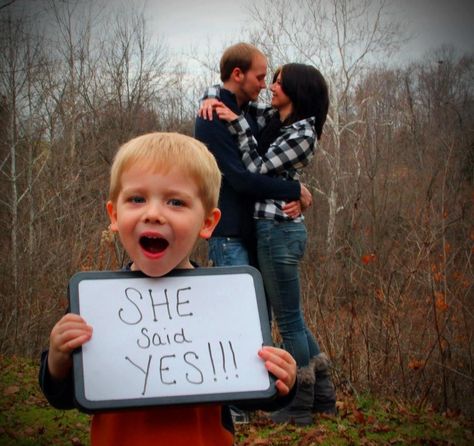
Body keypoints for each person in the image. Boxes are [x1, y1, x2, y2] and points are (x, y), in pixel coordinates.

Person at [38, 132, 297, 446]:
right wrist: (57, 361)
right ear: (115, 215)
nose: (153, 213)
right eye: (137, 199)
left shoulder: (226, 304)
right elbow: (66, 397)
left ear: (207, 222)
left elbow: (250, 394)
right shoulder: (94, 305)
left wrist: (282, 380)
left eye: (176, 202)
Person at [199, 63, 337, 425]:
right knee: (293, 317)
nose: (271, 86)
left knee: (289, 321)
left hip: (279, 231)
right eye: (270, 79)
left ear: (298, 89)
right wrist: (213, 101)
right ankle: (323, 394)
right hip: (269, 229)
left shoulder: (302, 133)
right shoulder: (277, 118)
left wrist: (298, 192)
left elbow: (257, 169)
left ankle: (300, 402)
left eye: (279, 81)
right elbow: (230, 97)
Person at [194, 42, 312, 269]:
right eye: (260, 78)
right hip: (229, 235)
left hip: (255, 233)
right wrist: (294, 190)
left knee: (262, 305)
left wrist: (295, 195)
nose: (264, 85)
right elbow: (240, 180)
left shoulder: (248, 113)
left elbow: (269, 165)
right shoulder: (211, 117)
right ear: (238, 74)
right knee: (238, 305)